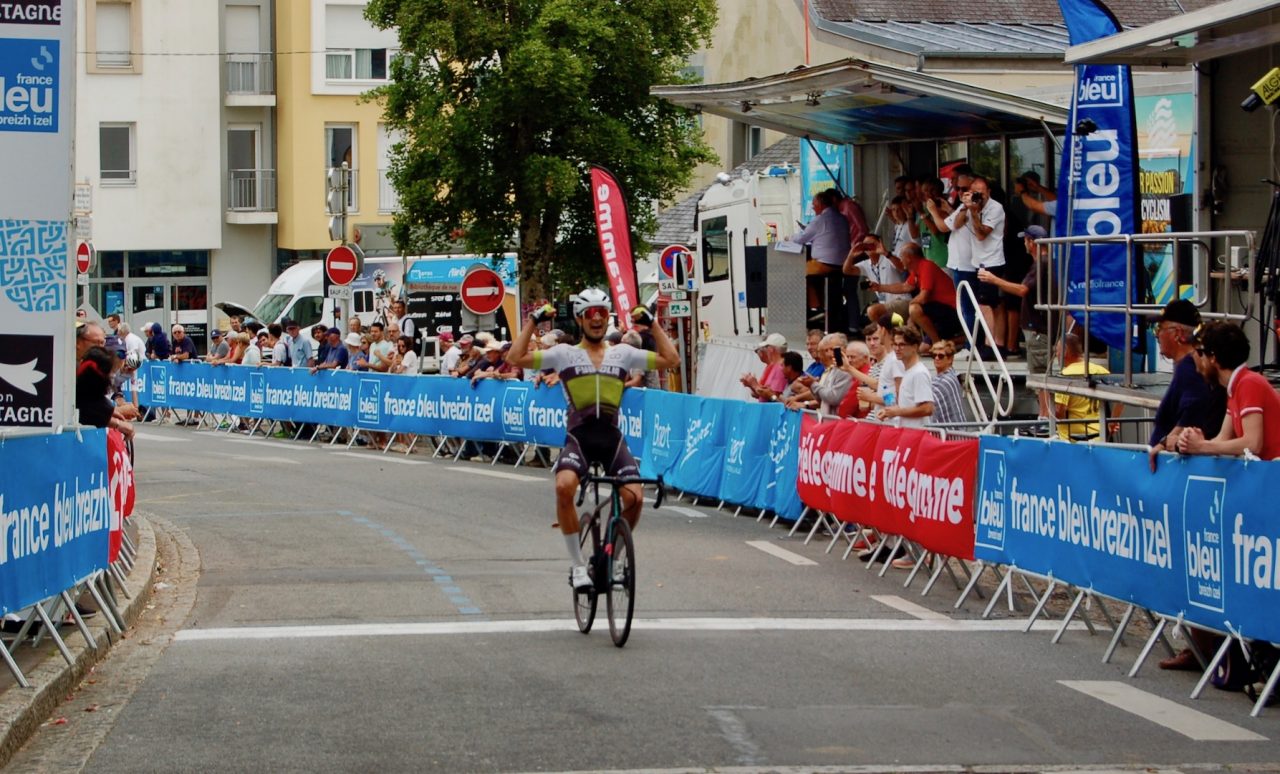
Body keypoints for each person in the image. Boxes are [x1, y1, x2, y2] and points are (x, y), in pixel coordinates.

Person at [505, 288, 679, 591]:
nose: (597, 319)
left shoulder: (623, 353)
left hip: (612, 439)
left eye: (601, 313)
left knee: (635, 499)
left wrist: (651, 324)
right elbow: (514, 356)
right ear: (579, 319)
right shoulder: (563, 354)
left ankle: (611, 558)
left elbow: (671, 359)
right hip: (579, 438)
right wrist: (533, 320)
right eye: (590, 314)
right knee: (563, 487)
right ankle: (577, 566)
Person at [978, 225, 1055, 418]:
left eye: (1026, 240)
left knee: (1040, 378)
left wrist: (994, 280)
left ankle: (1044, 418)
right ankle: (1045, 417)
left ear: (1032, 242)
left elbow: (1022, 290)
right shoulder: (1045, 263)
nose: (1024, 244)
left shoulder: (1042, 264)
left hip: (1039, 330)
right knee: (1041, 376)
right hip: (1041, 329)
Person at [1178, 322, 1280, 460]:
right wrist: (1191, 444)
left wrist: (1202, 446)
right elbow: (1222, 439)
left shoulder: (1248, 383)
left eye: (1201, 353)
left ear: (1213, 357)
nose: (1199, 361)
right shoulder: (1235, 386)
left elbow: (1253, 443)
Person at [1146, 300, 1226, 472]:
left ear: (1178, 334)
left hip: (1178, 468)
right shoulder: (1188, 367)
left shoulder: (1188, 367)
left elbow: (1195, 403)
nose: (1157, 334)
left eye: (1159, 328)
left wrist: (1169, 439)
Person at [869, 244, 960, 354]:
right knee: (923, 349)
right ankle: (941, 342)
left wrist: (911, 315)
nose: (900, 260)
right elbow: (905, 286)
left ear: (908, 258)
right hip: (938, 310)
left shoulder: (927, 266)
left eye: (901, 257)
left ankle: (937, 345)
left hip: (951, 311)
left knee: (914, 309)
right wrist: (879, 287)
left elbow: (923, 297)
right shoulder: (917, 269)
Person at [791, 188, 851, 323]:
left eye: (814, 204)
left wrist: (789, 238)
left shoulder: (819, 220)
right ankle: (824, 306)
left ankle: (815, 307)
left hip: (826, 264)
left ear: (822, 205)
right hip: (843, 264)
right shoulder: (841, 218)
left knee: (797, 272)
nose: (813, 207)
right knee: (814, 276)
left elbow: (801, 239)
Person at [1053, 333, 1111, 441]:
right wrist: (1114, 420)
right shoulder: (1101, 371)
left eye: (1057, 350)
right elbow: (1121, 397)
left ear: (1065, 351)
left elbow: (1060, 412)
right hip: (1099, 436)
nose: (1056, 354)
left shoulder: (1064, 375)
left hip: (1072, 440)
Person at [843, 232, 910, 325]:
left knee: (872, 311)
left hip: (901, 301)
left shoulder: (889, 257)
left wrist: (885, 253)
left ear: (880, 243)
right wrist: (851, 254)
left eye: (872, 244)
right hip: (884, 304)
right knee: (872, 316)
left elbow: (902, 267)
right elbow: (847, 270)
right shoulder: (866, 264)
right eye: (865, 245)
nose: (869, 247)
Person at [878, 326, 934, 428]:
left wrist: (898, 412)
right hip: (907, 433)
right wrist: (889, 411)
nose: (897, 349)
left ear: (915, 347)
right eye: (895, 344)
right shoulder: (908, 371)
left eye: (902, 344)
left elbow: (927, 409)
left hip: (917, 435)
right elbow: (908, 405)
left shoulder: (919, 373)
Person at [740, 333, 789, 402]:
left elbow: (774, 397)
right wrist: (751, 384)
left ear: (771, 349)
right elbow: (763, 394)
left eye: (765, 348)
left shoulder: (780, 368)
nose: (765, 351)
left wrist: (754, 384)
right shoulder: (775, 366)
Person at [928, 340, 966, 425]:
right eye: (934, 355)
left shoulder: (946, 380)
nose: (936, 358)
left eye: (941, 356)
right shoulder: (951, 375)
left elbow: (926, 405)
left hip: (950, 433)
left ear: (950, 359)